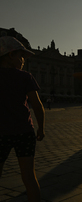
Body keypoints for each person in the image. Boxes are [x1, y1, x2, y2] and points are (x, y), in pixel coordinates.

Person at [0, 36, 45, 202]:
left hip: (1, 133)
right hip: (24, 133)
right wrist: (41, 128)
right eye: (21, 56)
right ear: (11, 55)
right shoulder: (25, 77)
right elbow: (38, 106)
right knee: (29, 176)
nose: (23, 60)